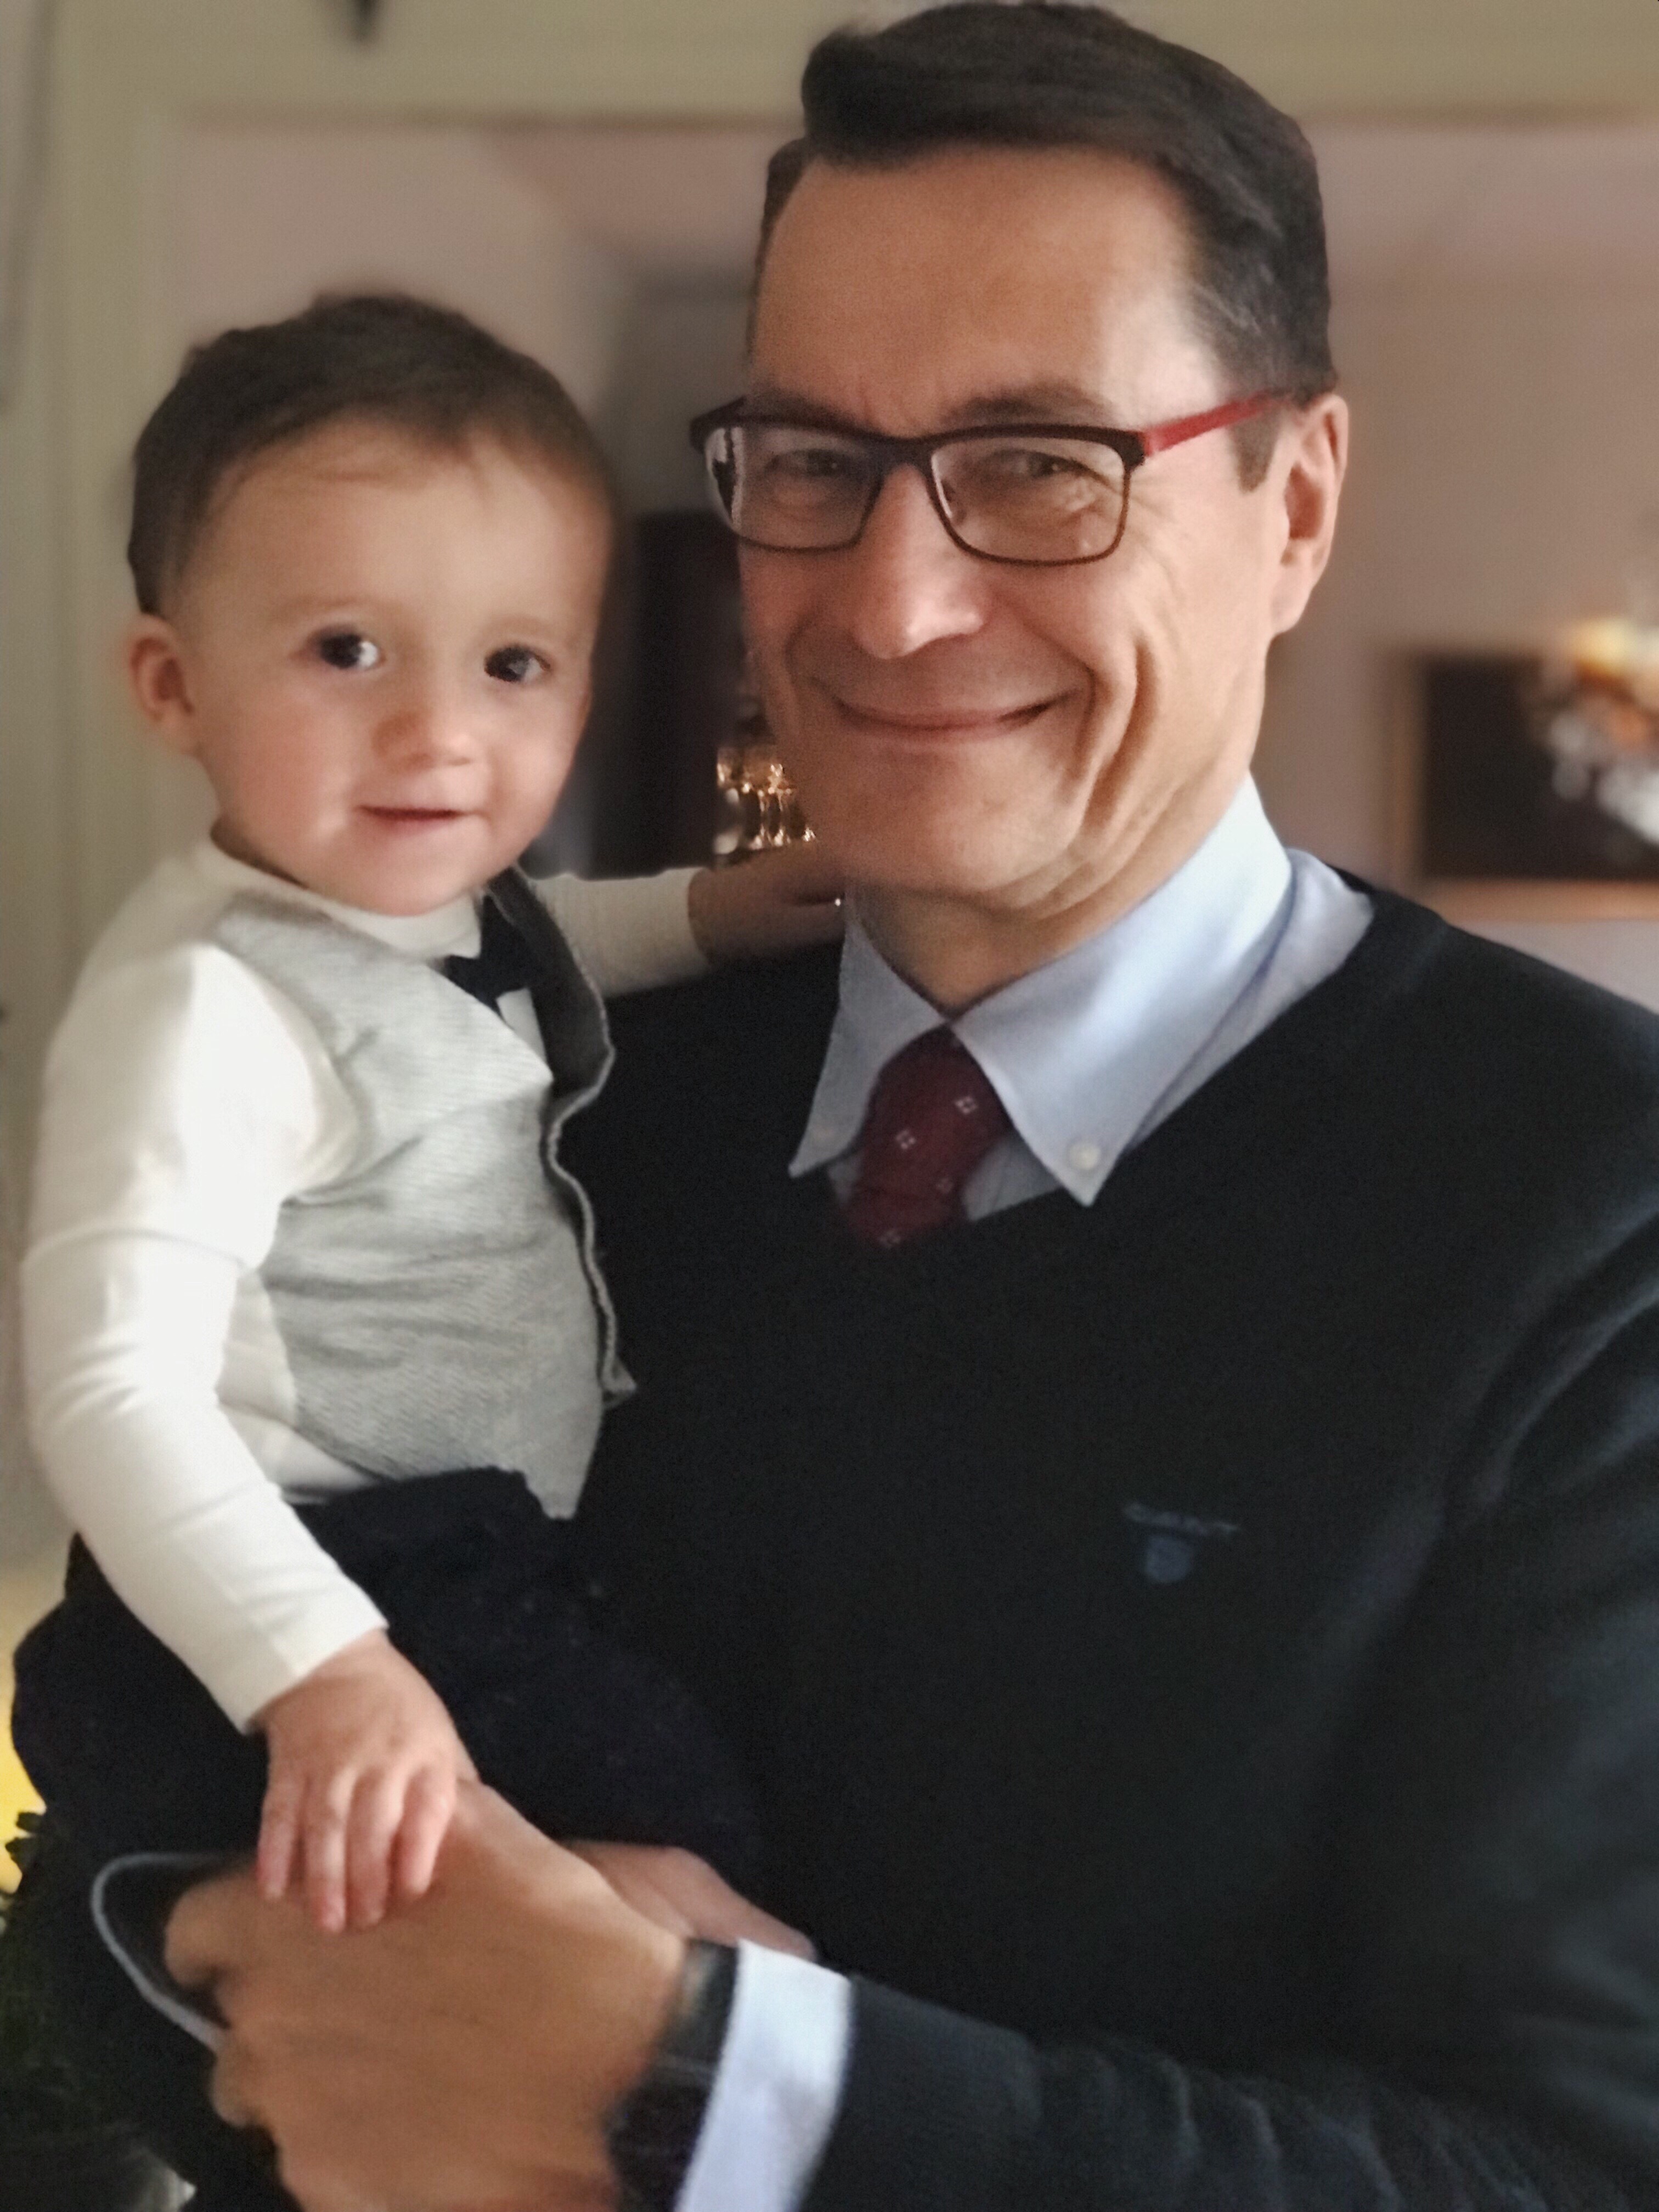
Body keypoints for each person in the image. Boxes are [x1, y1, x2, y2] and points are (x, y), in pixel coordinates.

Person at [101, 4, 1659, 2208]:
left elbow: (1573, 2162)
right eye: (814, 462)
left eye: (1040, 465)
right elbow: (120, 1767)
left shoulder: (1590, 1210)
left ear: (1295, 507)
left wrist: (710, 2086)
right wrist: (258, 1966)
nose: (896, 607)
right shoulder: (533, 1088)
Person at [11, 293, 834, 2205]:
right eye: (347, 649)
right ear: (172, 686)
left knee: (628, 1902)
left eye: (515, 662)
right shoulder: (210, 1005)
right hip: (352, 1565)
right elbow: (109, 1388)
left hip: (468, 1556)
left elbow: (558, 942)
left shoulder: (438, 905)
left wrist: (725, 912)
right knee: (691, 1880)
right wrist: (323, 1669)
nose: (441, 731)